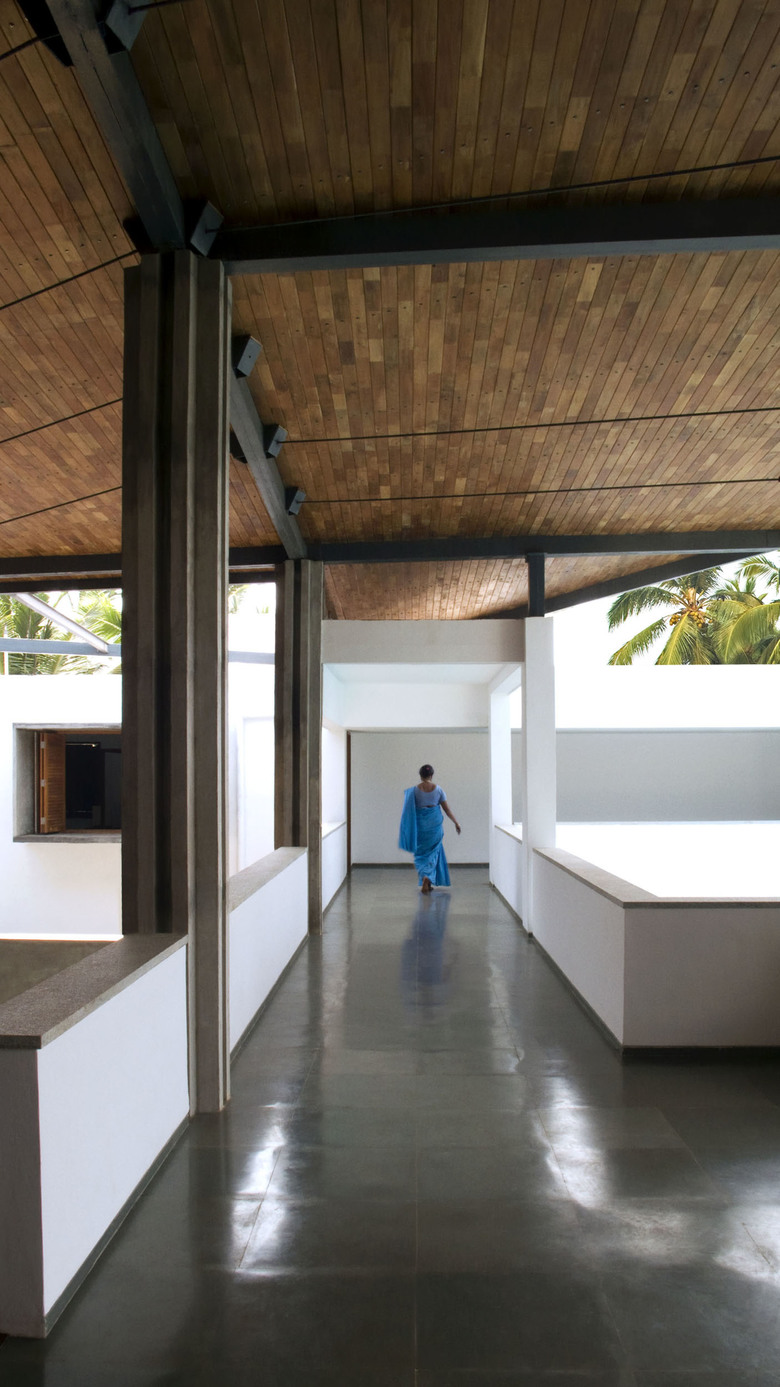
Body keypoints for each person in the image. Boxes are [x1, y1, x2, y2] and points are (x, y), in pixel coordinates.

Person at [398, 763, 461, 893]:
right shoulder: (438, 790)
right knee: (434, 852)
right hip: (434, 826)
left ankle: (425, 876)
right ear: (431, 775)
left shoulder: (414, 791)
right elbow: (447, 810)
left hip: (420, 827)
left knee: (420, 854)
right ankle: (428, 878)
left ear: (420, 776)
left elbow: (408, 811)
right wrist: (456, 822)